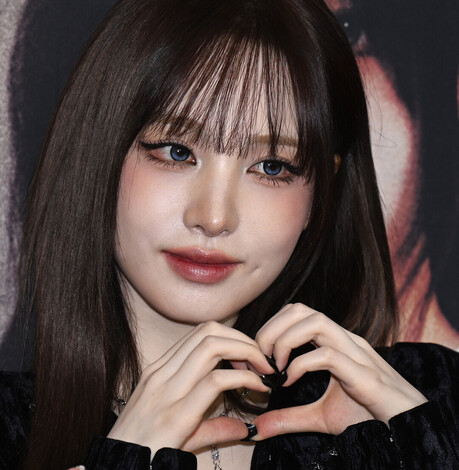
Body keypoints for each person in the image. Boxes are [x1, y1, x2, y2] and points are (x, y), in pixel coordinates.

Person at [1, 0, 458, 469]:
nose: (214, 217)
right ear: (100, 154)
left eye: (272, 167)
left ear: (321, 195)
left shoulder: (428, 399)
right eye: (176, 152)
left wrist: (421, 445)